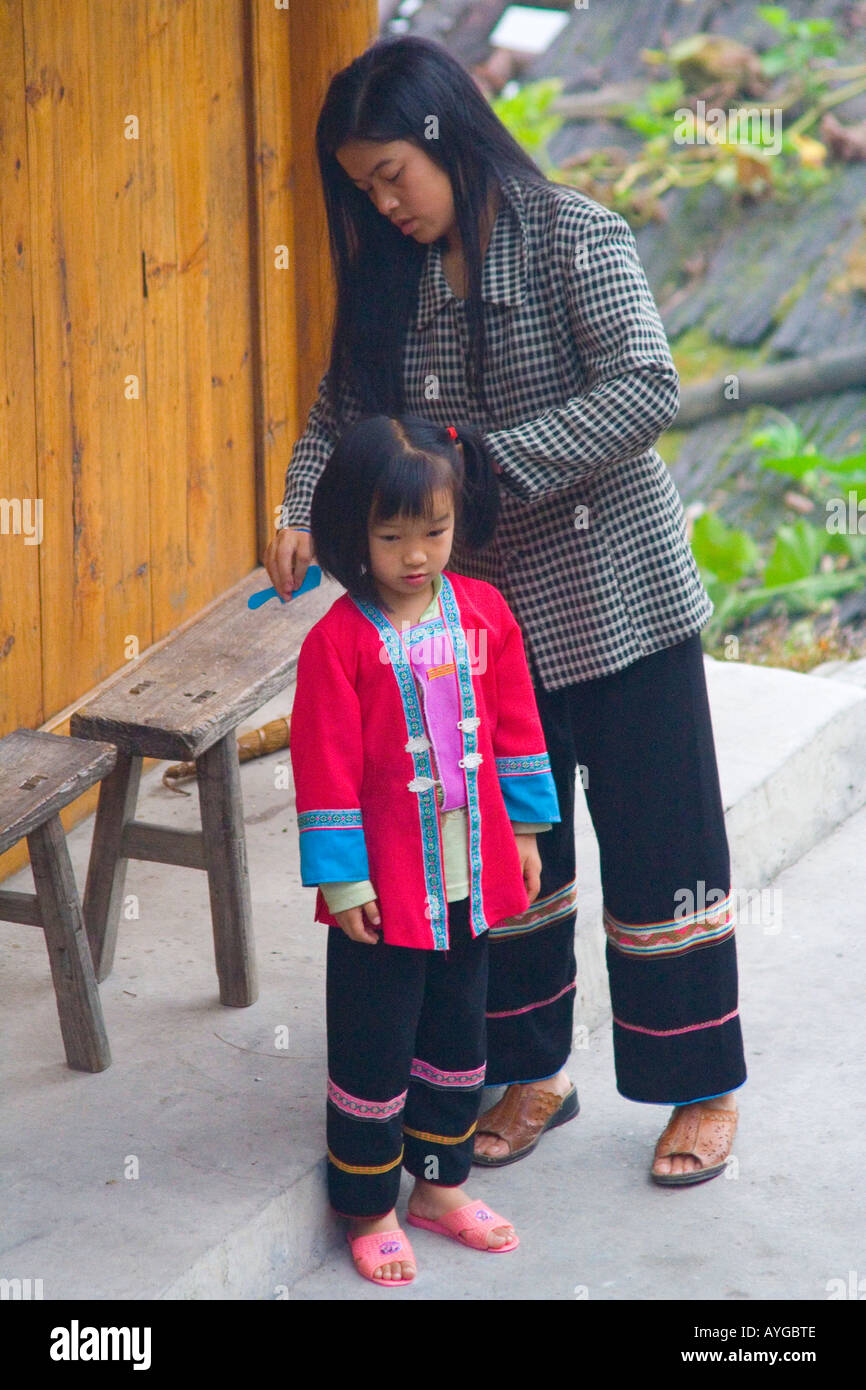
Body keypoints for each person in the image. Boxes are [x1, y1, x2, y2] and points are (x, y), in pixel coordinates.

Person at [268, 34, 746, 1190]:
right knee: (499, 857)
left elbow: (646, 384)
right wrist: (296, 505)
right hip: (479, 645)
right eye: (363, 188)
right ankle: (534, 1071)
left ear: (447, 133)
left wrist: (482, 471)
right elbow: (341, 411)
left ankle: (697, 1082)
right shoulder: (389, 277)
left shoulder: (573, 233)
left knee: (659, 848)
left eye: (393, 174)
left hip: (619, 600)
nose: (383, 203)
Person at [289, 413, 561, 1285]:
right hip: (383, 891)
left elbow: (518, 726)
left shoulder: (485, 615)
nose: (416, 555)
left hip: (470, 876)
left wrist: (522, 833)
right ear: (350, 533)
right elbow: (323, 770)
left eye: (435, 532)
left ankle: (441, 1188)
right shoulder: (337, 644)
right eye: (392, 535)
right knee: (373, 1040)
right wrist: (343, 882)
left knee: (456, 1032)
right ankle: (368, 1205)